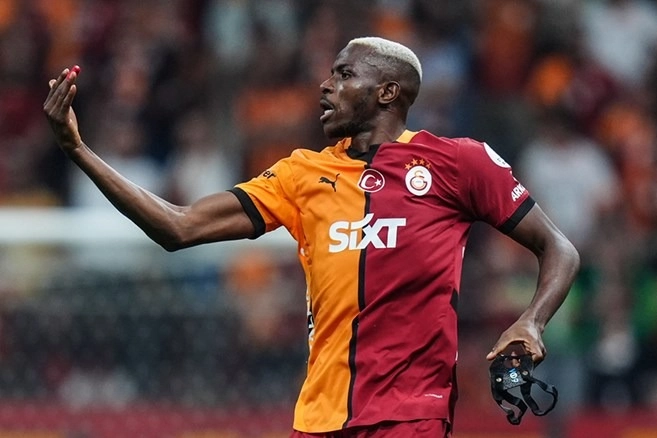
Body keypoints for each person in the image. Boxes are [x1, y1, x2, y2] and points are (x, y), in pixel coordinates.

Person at [43, 37, 580, 438]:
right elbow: (178, 226)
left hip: (410, 415)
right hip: (318, 418)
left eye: (344, 75)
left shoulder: (457, 163)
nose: (325, 86)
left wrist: (530, 322)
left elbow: (559, 248)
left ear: (387, 92)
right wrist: (78, 150)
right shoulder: (301, 174)